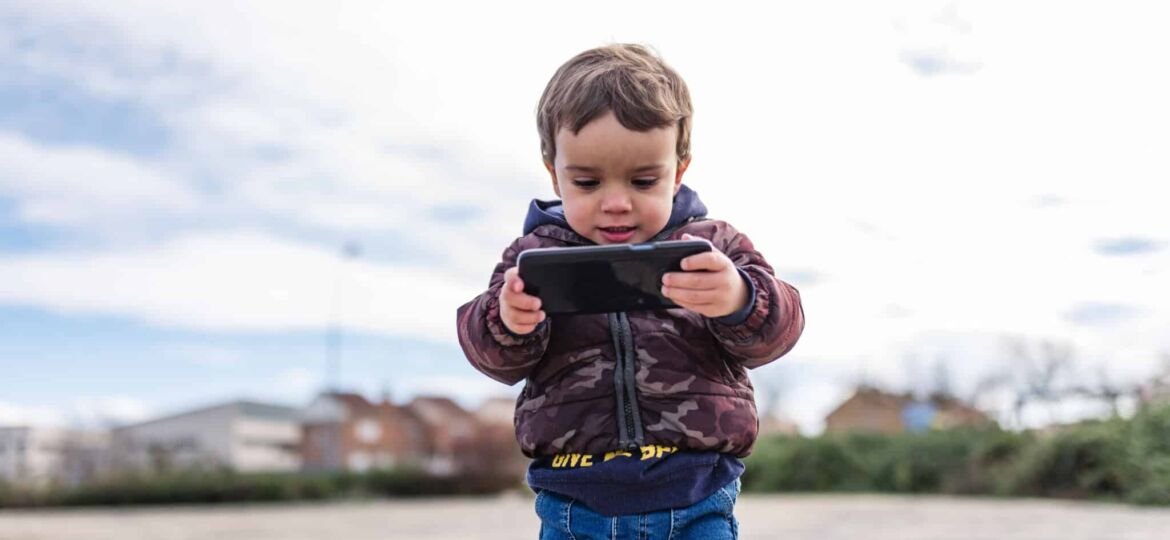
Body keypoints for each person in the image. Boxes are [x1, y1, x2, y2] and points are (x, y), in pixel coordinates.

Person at [456, 43, 805, 539]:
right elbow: (491, 354)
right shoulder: (531, 255)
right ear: (554, 173)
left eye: (643, 181)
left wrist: (739, 300)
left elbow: (780, 329)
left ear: (678, 170)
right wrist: (508, 320)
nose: (616, 203)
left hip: (696, 491)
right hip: (575, 501)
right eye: (587, 182)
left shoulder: (714, 246)